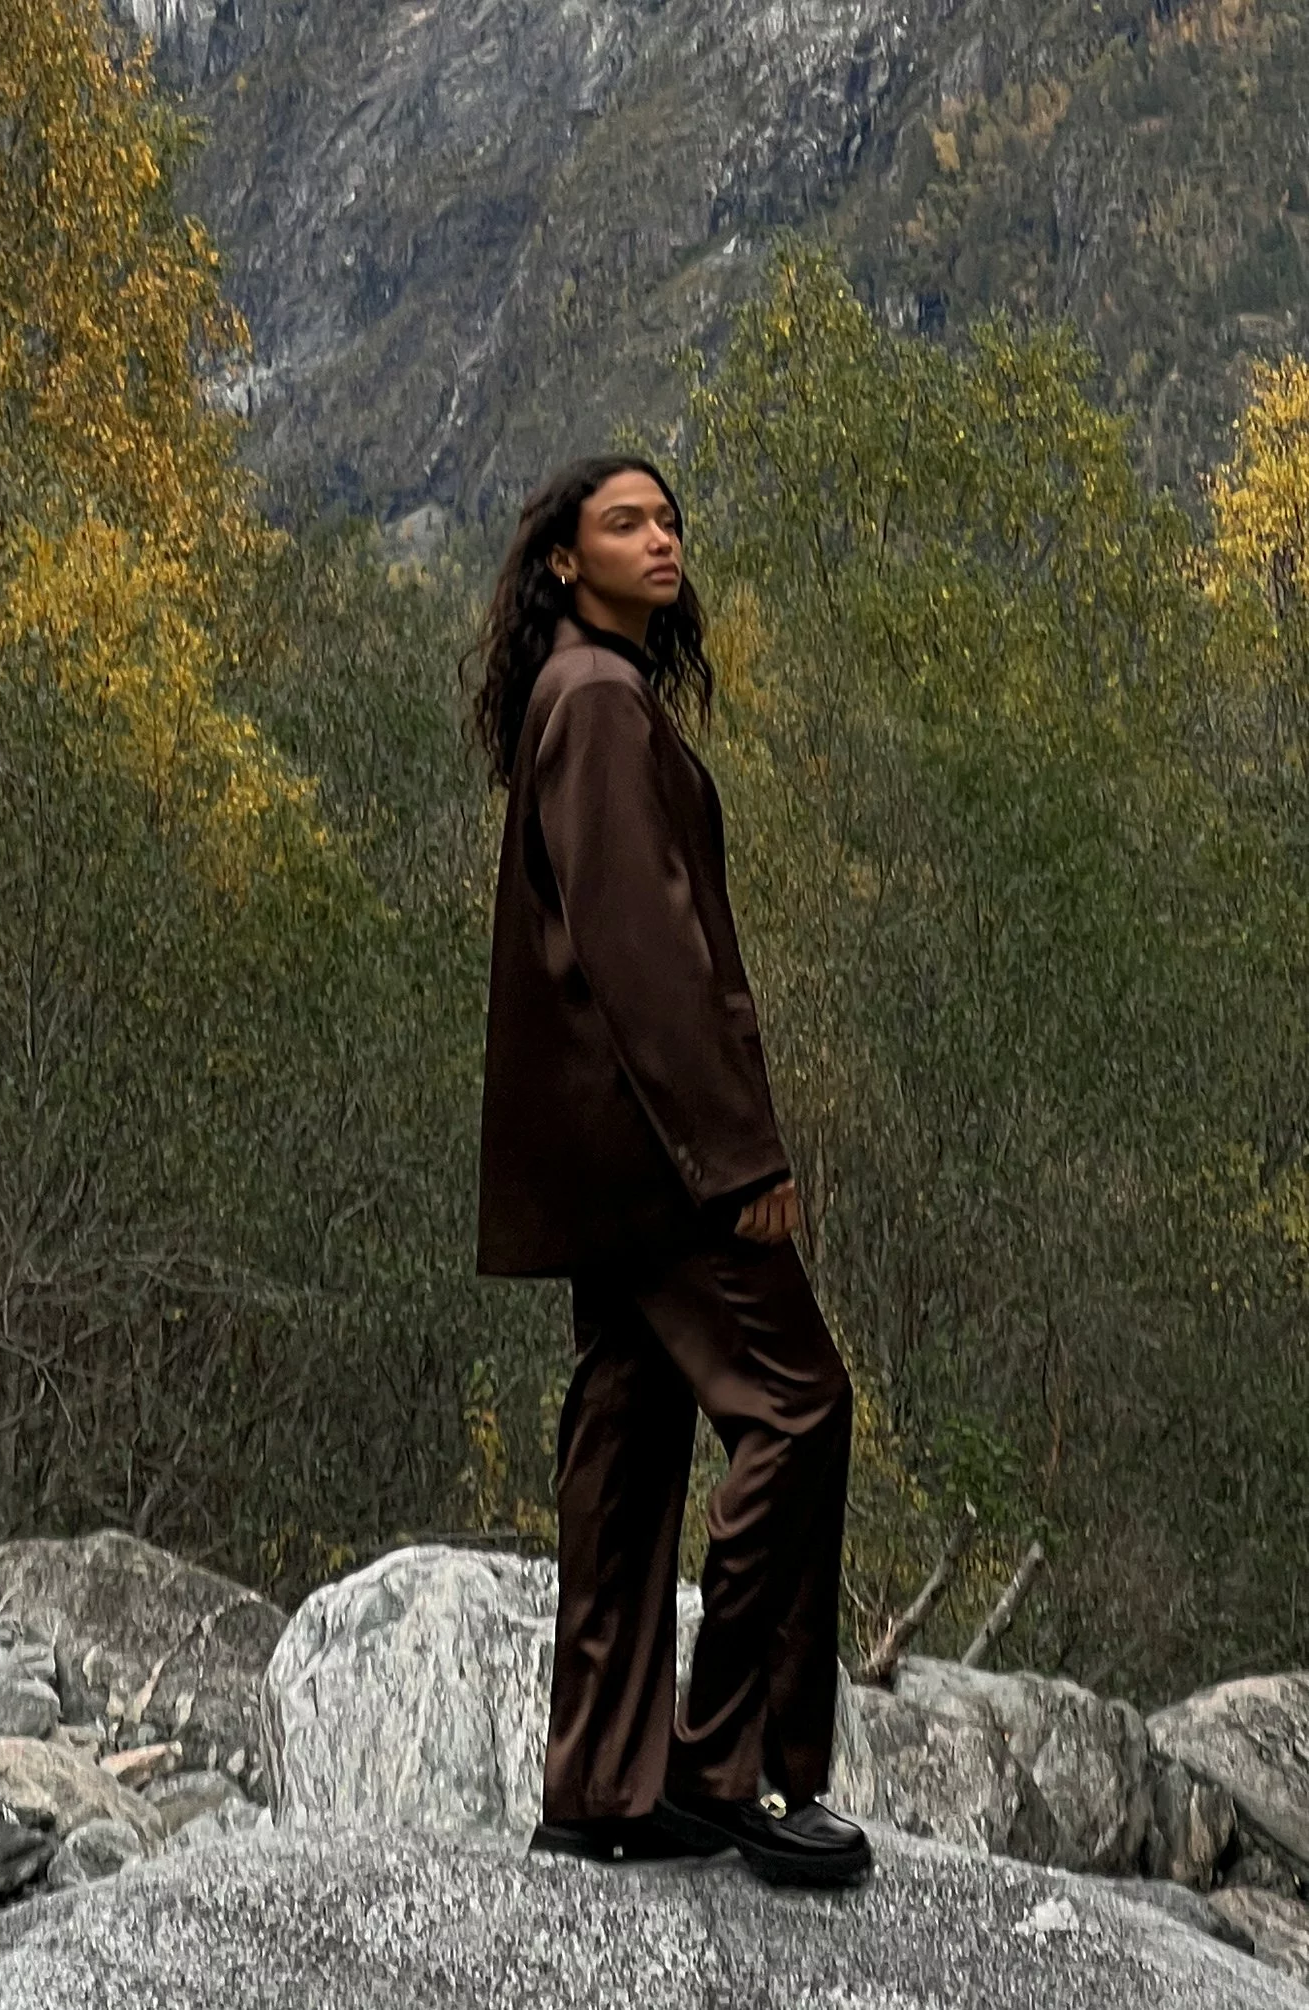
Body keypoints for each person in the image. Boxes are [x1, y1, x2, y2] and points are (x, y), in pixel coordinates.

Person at [463, 452, 871, 1890]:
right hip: (663, 1159)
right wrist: (737, 1156)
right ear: (564, 560)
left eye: (669, 518)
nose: (660, 538)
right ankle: (724, 1768)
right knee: (800, 1406)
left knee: (629, 1440)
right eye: (623, 521)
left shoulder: (586, 694)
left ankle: (600, 1784)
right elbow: (646, 958)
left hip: (615, 1161)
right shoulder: (595, 701)